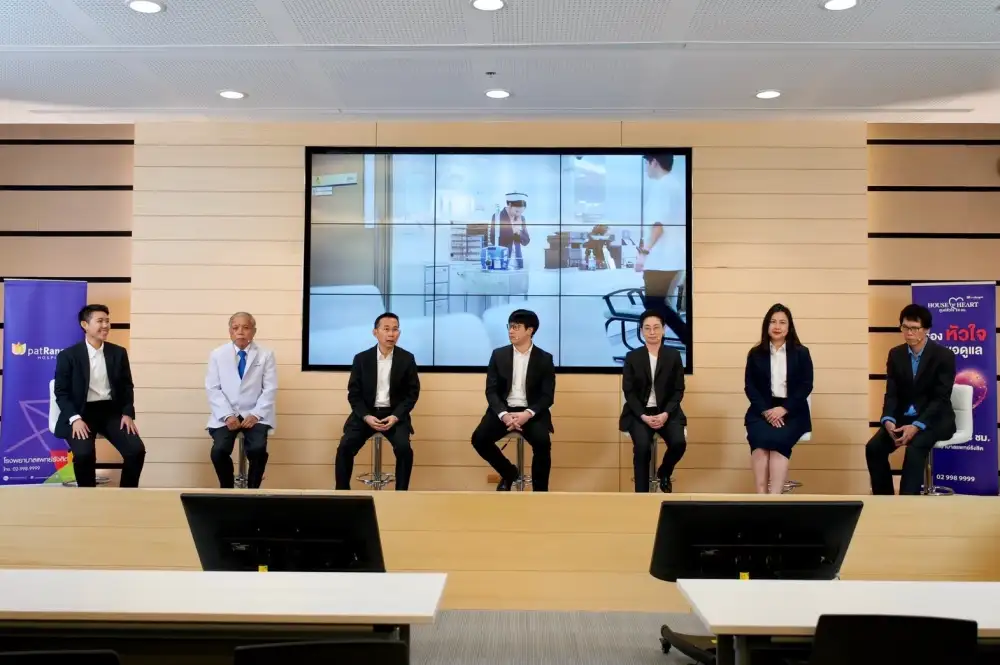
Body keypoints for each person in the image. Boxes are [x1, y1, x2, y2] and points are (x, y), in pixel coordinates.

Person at [867, 304, 956, 496]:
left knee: (914, 450)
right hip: (903, 419)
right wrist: (888, 419)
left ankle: (907, 504)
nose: (909, 333)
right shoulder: (896, 354)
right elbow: (892, 392)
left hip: (933, 420)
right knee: (874, 448)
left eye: (914, 328)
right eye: (905, 327)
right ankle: (884, 501)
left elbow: (940, 398)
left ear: (927, 330)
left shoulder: (944, 356)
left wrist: (916, 425)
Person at [53, 304, 145, 488]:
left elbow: (127, 386)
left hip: (110, 411)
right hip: (81, 412)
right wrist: (75, 419)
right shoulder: (68, 355)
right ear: (85, 325)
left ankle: (127, 495)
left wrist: (127, 413)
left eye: (107, 321)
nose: (105, 326)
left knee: (136, 450)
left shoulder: (118, 353)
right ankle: (88, 497)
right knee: (84, 454)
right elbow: (61, 392)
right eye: (100, 321)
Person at [471, 309, 555, 491]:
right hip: (504, 409)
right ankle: (509, 472)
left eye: (516, 327)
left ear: (530, 330)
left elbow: (547, 396)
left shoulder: (544, 359)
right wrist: (504, 414)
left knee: (543, 443)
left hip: (531, 412)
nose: (510, 331)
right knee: (479, 439)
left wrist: (527, 414)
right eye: (509, 327)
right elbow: (491, 391)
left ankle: (541, 493)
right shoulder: (498, 355)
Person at [335, 313, 420, 491]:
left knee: (404, 449)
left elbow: (412, 394)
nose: (391, 334)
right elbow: (354, 394)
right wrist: (366, 416)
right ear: (375, 332)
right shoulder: (361, 359)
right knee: (345, 447)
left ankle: (401, 495)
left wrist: (396, 416)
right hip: (366, 414)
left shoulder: (407, 358)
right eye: (386, 329)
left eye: (395, 329)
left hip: (394, 415)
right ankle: (342, 494)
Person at [744, 304, 814, 495]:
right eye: (773, 322)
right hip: (762, 410)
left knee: (778, 443)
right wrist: (766, 411)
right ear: (766, 325)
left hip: (793, 410)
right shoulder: (755, 354)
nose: (777, 326)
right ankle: (760, 497)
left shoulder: (801, 353)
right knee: (759, 442)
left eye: (782, 322)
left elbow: (806, 385)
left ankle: (774, 498)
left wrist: (784, 409)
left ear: (789, 327)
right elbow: (750, 387)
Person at [205, 312, 277, 489]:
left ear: (254, 331)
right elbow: (213, 388)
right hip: (226, 414)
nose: (240, 332)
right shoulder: (217, 354)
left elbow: (270, 388)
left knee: (258, 450)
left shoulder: (266, 355)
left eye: (246, 327)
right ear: (230, 331)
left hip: (255, 413)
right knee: (219, 451)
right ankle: (228, 490)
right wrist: (227, 415)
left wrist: (256, 414)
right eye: (235, 328)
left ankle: (252, 492)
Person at [619, 309, 687, 493]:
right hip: (640, 413)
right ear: (641, 331)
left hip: (666, 411)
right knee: (642, 447)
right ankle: (641, 495)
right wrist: (643, 416)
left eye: (656, 327)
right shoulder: (632, 357)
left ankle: (664, 472)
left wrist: (665, 414)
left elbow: (678, 390)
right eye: (647, 328)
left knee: (679, 443)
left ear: (663, 330)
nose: (652, 332)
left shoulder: (673, 356)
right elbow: (629, 392)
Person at [638, 222, 689, 348]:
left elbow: (657, 228)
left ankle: (687, 337)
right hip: (672, 263)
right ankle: (662, 343)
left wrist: (643, 254)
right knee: (659, 305)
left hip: (660, 265)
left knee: (654, 304)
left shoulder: (658, 211)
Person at [489, 192, 531, 269]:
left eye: (521, 212)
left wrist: (519, 232)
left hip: (518, 261)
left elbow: (526, 241)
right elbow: (493, 240)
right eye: (517, 211)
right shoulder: (498, 217)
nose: (519, 214)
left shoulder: (521, 218)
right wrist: (512, 231)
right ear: (510, 205)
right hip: (502, 260)